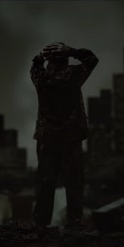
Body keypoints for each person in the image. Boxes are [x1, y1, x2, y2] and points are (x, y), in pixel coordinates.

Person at [30, 42, 98, 236]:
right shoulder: (73, 76)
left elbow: (34, 67)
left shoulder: (41, 78)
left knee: (45, 181)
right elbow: (92, 59)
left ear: (50, 62)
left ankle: (40, 224)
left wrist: (40, 57)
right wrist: (72, 51)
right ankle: (74, 224)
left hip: (47, 137)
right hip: (70, 137)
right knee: (74, 181)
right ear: (65, 60)